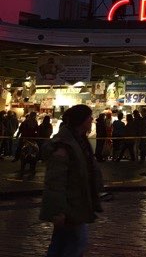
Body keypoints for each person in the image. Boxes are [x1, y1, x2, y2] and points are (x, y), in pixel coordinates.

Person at [40, 104, 103, 256]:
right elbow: (56, 180)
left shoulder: (79, 141)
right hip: (71, 205)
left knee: (62, 243)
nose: (92, 120)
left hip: (76, 202)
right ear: (81, 120)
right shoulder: (65, 145)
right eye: (89, 117)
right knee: (76, 243)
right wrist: (58, 210)